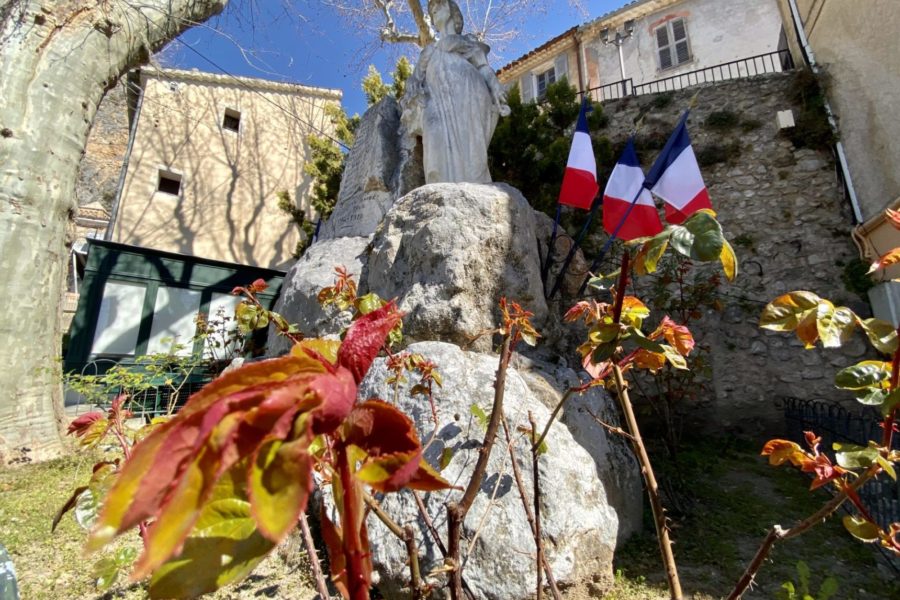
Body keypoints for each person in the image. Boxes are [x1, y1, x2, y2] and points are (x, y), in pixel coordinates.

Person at [401, 0, 510, 184]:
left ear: (453, 12)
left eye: (439, 6)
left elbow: (483, 67)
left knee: (472, 156)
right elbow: (414, 82)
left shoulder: (467, 41)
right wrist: (412, 93)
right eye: (432, 9)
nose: (434, 11)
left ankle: (475, 191)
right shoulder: (428, 52)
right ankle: (438, 197)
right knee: (434, 147)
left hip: (468, 96)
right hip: (436, 102)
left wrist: (496, 87)